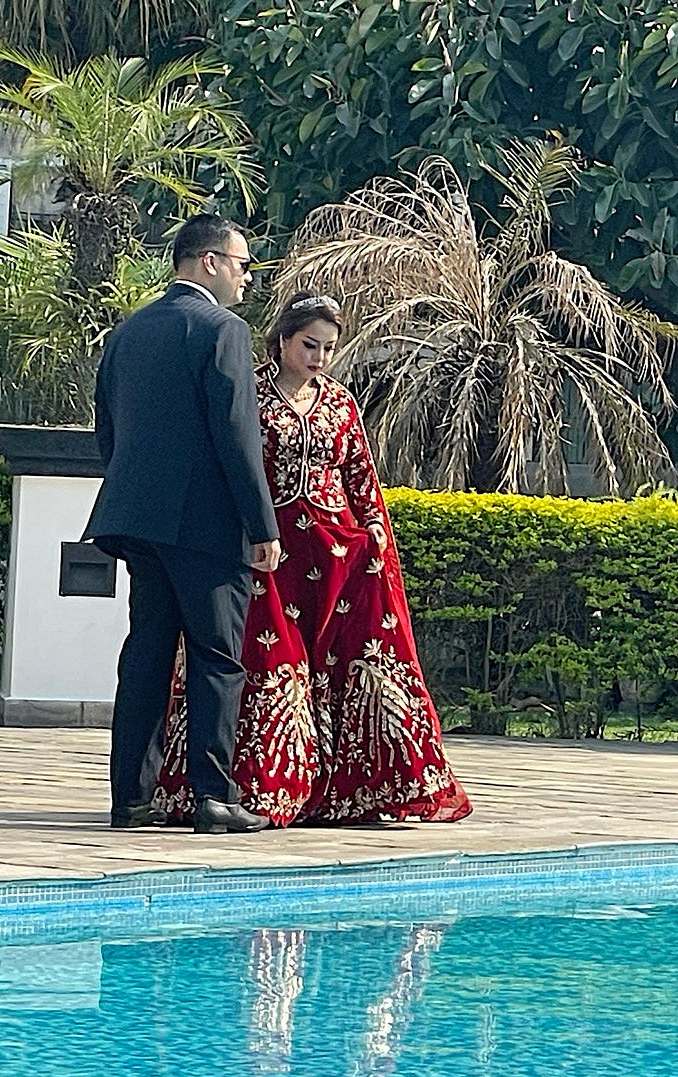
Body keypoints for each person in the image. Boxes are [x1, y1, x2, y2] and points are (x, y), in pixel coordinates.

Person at [151, 292, 472, 826]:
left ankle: (349, 791)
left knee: (346, 663)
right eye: (309, 345)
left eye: (328, 347)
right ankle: (265, 788)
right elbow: (229, 467)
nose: (319, 357)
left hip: (337, 551)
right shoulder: (249, 394)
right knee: (270, 662)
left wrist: (372, 528)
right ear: (282, 341)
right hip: (269, 550)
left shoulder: (341, 403)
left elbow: (360, 474)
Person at [84, 213, 281, 835]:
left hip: (137, 520)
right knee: (217, 657)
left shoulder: (129, 331)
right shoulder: (223, 329)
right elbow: (237, 436)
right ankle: (213, 797)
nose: (247, 277)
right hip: (202, 523)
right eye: (242, 263)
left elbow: (107, 429)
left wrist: (132, 494)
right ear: (209, 262)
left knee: (144, 655)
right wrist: (262, 524)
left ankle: (130, 800)